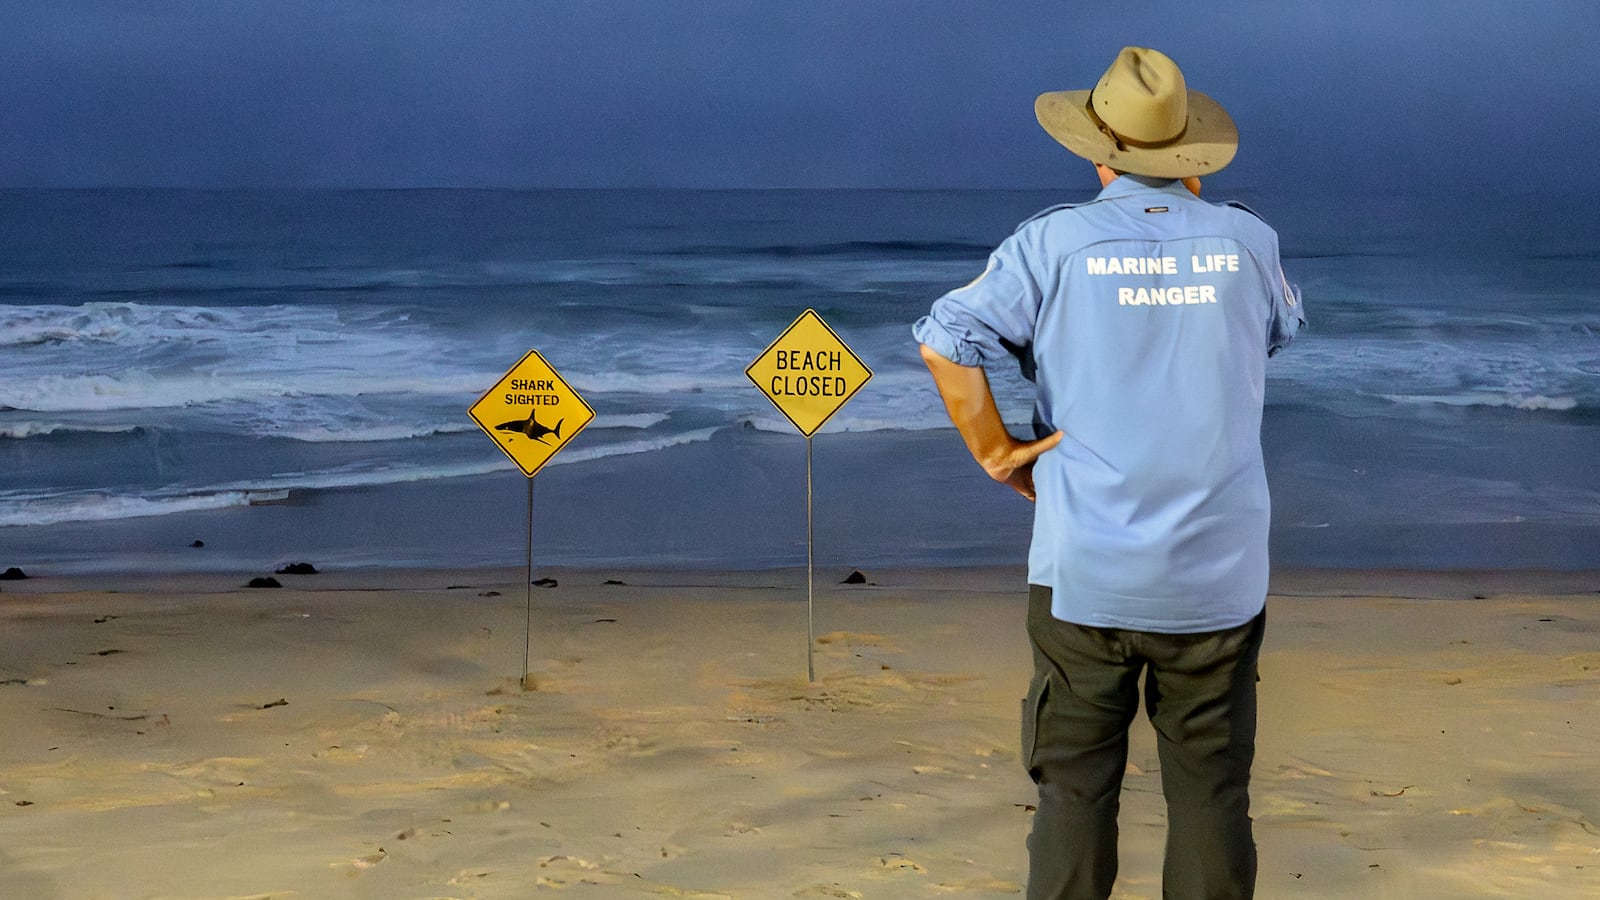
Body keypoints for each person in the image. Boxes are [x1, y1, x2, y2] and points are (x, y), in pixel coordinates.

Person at [912, 47, 1304, 899]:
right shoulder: (1247, 238)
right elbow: (1276, 332)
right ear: (1189, 154)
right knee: (1210, 794)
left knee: (1074, 791)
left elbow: (946, 340)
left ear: (1099, 151)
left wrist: (996, 452)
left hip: (1085, 569)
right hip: (1217, 577)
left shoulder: (1051, 243)